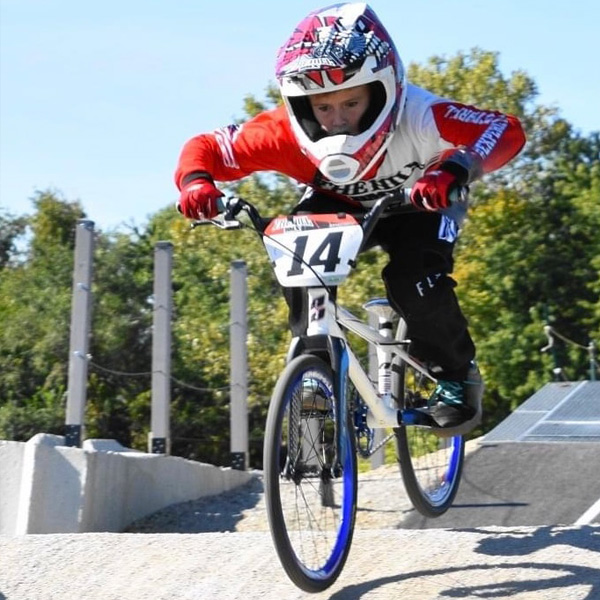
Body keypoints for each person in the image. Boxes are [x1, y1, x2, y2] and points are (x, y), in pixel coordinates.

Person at [174, 2, 526, 435]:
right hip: (336, 202)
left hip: (422, 201)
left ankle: (456, 375)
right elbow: (205, 147)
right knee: (299, 271)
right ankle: (317, 373)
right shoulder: (282, 132)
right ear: (301, 105)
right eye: (322, 108)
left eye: (352, 102)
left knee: (412, 280)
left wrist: (454, 169)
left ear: (385, 89)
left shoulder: (420, 114)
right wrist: (195, 184)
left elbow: (503, 129)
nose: (338, 121)